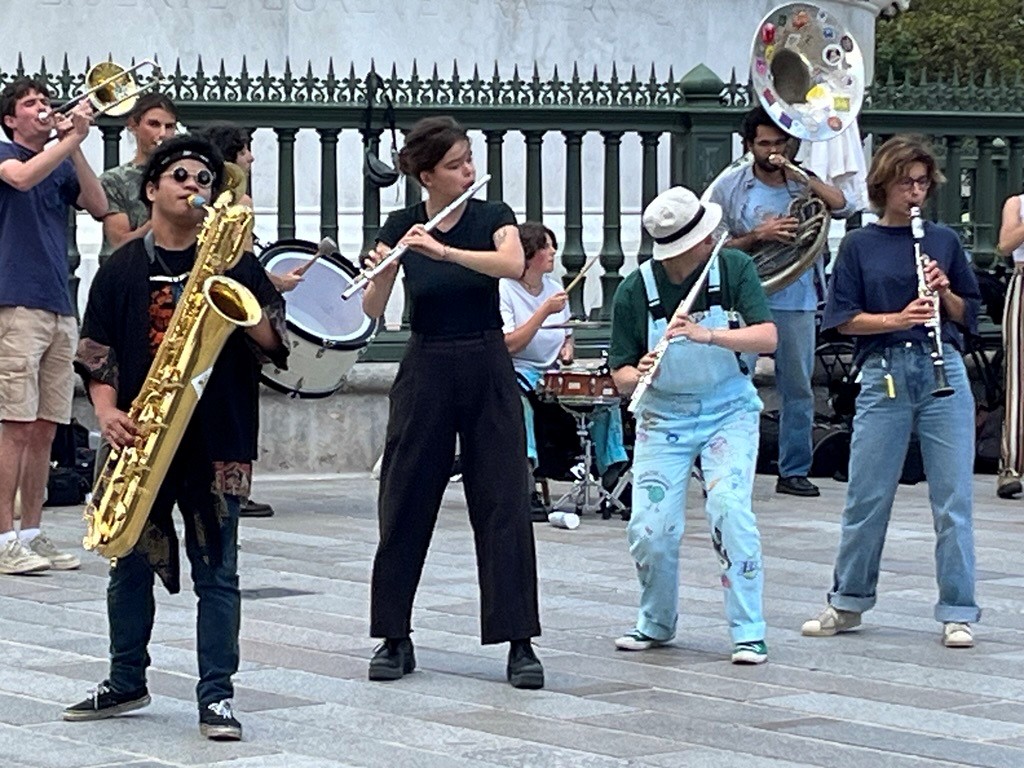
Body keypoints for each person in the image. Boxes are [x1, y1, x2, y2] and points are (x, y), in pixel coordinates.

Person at [63, 135, 288, 739]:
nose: (195, 188)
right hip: (140, 436)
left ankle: (217, 697)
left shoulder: (235, 263)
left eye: (205, 180)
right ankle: (124, 680)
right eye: (182, 177)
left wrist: (253, 292)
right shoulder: (120, 270)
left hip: (217, 437)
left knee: (219, 572)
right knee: (127, 564)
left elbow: (274, 346)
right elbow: (96, 355)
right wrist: (106, 413)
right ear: (151, 189)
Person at [362, 116, 543, 689]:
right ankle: (394, 636)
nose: (468, 170)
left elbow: (511, 265)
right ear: (425, 175)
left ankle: (519, 642)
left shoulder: (494, 217)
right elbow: (371, 309)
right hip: (427, 361)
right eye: (455, 164)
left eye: (469, 159)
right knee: (405, 496)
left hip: (487, 357)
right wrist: (383, 271)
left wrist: (443, 253)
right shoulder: (401, 224)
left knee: (504, 500)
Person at [801, 135, 981, 648]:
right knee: (867, 494)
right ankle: (848, 600)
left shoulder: (943, 240)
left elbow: (970, 315)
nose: (916, 191)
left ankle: (958, 609)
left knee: (953, 499)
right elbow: (841, 320)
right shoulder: (860, 244)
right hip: (885, 370)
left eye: (923, 182)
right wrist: (896, 319)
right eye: (907, 181)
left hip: (942, 367)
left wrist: (944, 290)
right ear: (885, 184)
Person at [608, 186, 777, 664]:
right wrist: (635, 374)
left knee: (729, 508)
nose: (713, 240)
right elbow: (619, 372)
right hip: (663, 416)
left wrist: (708, 334)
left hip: (729, 410)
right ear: (684, 248)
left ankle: (749, 630)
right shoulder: (635, 290)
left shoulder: (734, 269)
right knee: (651, 528)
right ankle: (655, 622)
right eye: (705, 237)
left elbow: (768, 337)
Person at [710, 106, 856, 498]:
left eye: (780, 143)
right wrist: (759, 234)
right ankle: (728, 466)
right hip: (747, 297)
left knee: (799, 388)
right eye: (765, 144)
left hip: (797, 297)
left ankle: (794, 471)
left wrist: (803, 176)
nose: (774, 152)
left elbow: (844, 206)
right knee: (733, 385)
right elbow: (713, 245)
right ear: (748, 145)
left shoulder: (804, 181)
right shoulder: (731, 185)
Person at [0, 78, 107, 575]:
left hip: (59, 303)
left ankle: (33, 532)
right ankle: (3, 536)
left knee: (45, 427)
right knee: (15, 425)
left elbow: (99, 204)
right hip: (15, 302)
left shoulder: (59, 158)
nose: (43, 108)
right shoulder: (5, 153)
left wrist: (76, 144)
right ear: (10, 119)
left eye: (46, 101)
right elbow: (19, 179)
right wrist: (68, 140)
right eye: (31, 104)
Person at [198, 121, 304, 519]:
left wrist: (275, 281)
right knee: (236, 406)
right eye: (245, 149)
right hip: (233, 317)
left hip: (220, 304)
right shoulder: (238, 202)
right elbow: (237, 262)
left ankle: (215, 486)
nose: (251, 157)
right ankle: (231, 490)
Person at [499, 221, 628, 517]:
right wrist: (544, 311)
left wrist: (568, 348)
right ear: (528, 254)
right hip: (519, 369)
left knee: (603, 397)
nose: (553, 251)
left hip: (551, 371)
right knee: (520, 404)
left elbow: (566, 333)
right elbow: (509, 344)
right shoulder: (504, 288)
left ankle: (613, 474)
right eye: (546, 246)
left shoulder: (554, 288)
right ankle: (526, 480)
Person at [98, 92, 178, 264]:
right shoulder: (114, 180)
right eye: (154, 124)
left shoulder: (186, 177)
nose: (163, 133)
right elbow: (119, 243)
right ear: (133, 125)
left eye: (170, 126)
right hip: (134, 272)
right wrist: (160, 218)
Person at [995, 192, 1024, 499]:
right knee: (1018, 379)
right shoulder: (1017, 203)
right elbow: (1005, 244)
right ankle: (1010, 467)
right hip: (1023, 279)